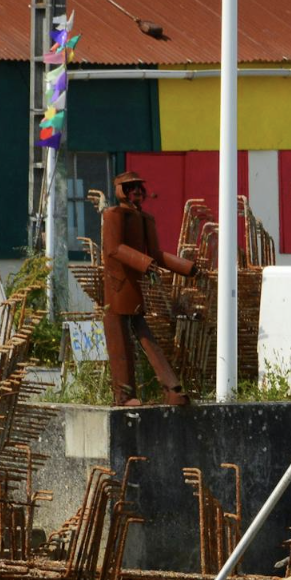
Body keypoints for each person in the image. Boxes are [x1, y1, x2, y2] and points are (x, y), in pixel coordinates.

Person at [99, 170, 197, 406]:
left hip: (134, 287)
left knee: (145, 337)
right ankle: (124, 396)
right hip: (117, 286)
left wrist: (187, 268)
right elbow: (114, 248)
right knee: (119, 341)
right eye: (130, 187)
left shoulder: (146, 219)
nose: (136, 192)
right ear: (122, 191)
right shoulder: (113, 215)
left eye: (138, 187)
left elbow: (155, 254)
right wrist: (145, 263)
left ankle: (171, 388)